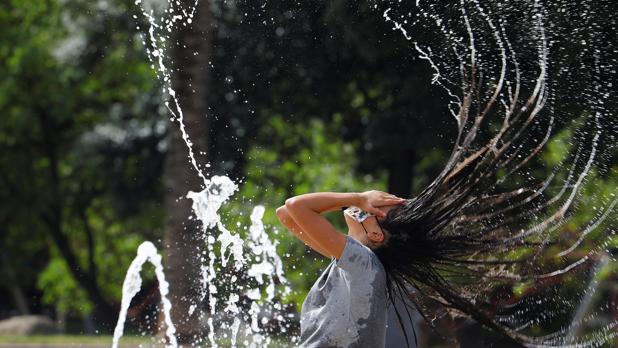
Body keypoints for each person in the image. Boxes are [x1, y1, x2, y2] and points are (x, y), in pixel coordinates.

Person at [276, 190, 416, 347]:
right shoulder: (355, 265)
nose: (369, 204)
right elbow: (285, 214)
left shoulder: (365, 264)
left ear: (375, 234)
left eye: (374, 209)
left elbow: (296, 206)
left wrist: (358, 198)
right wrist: (355, 202)